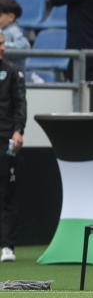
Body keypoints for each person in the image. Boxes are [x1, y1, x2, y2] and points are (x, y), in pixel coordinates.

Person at [0, 32, 25, 263]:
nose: (2, 48)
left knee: (6, 191)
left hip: (5, 137)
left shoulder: (12, 71)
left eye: (2, 43)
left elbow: (20, 103)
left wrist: (19, 131)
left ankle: (7, 246)